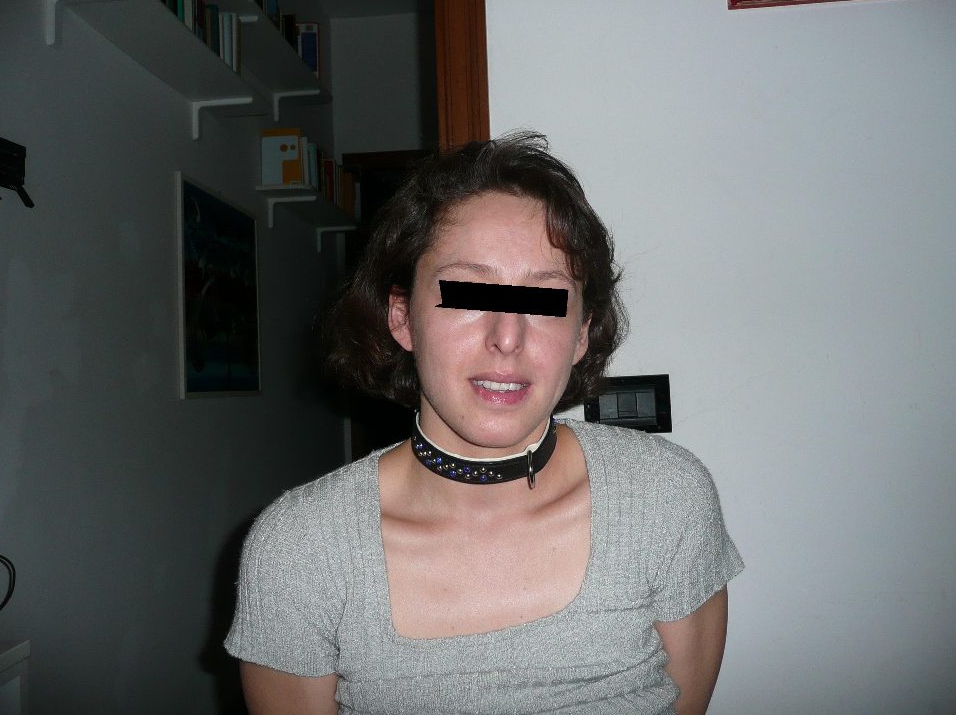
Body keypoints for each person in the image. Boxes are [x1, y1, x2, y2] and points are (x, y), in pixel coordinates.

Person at [225, 131, 744, 714]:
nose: (507, 337)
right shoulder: (300, 551)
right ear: (402, 317)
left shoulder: (666, 500)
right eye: (468, 293)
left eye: (546, 300)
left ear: (581, 335)